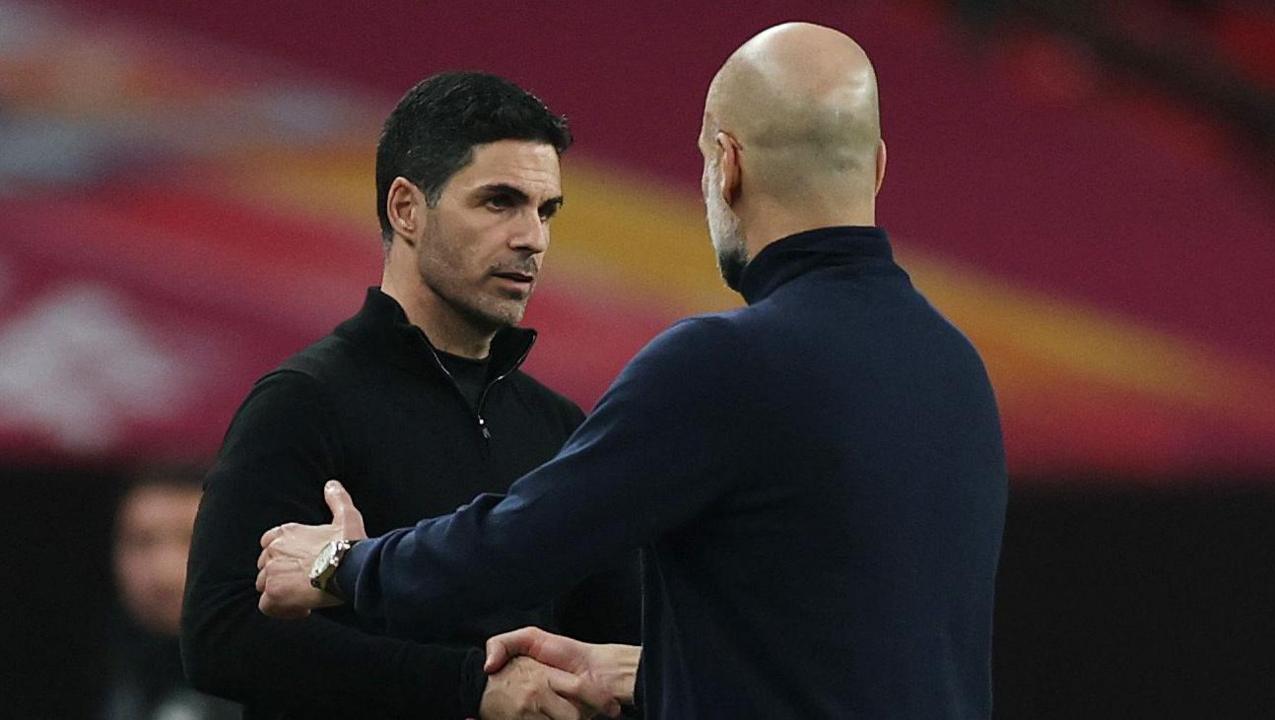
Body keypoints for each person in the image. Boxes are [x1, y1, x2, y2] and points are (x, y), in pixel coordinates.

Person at [259, 22, 1008, 719]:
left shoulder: (727, 365)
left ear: (728, 163)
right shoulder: (956, 367)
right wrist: (650, 673)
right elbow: (855, 653)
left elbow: (513, 553)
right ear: (876, 167)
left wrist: (344, 566)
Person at [182, 71, 639, 720]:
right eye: (499, 201)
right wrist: (470, 688)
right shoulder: (305, 401)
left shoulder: (561, 428)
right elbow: (222, 637)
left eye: (545, 210)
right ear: (406, 209)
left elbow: (620, 642)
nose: (532, 237)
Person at [106, 465, 241, 720]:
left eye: (189, 539)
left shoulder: (287, 679)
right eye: (142, 542)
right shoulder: (118, 680)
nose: (163, 571)